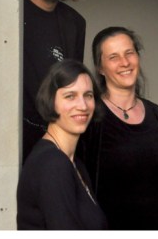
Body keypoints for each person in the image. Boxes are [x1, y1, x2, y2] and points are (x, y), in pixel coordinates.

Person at [81, 26, 158, 230]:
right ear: (100, 68)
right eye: (113, 57)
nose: (124, 62)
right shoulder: (90, 119)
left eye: (129, 53)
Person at [17, 59, 108, 230]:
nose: (82, 106)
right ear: (51, 101)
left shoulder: (74, 163)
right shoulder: (53, 164)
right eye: (70, 96)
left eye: (88, 95)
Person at [22, 0, 87, 163]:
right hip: (6, 149)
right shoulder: (6, 12)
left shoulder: (74, 24)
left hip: (54, 152)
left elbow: (70, 92)